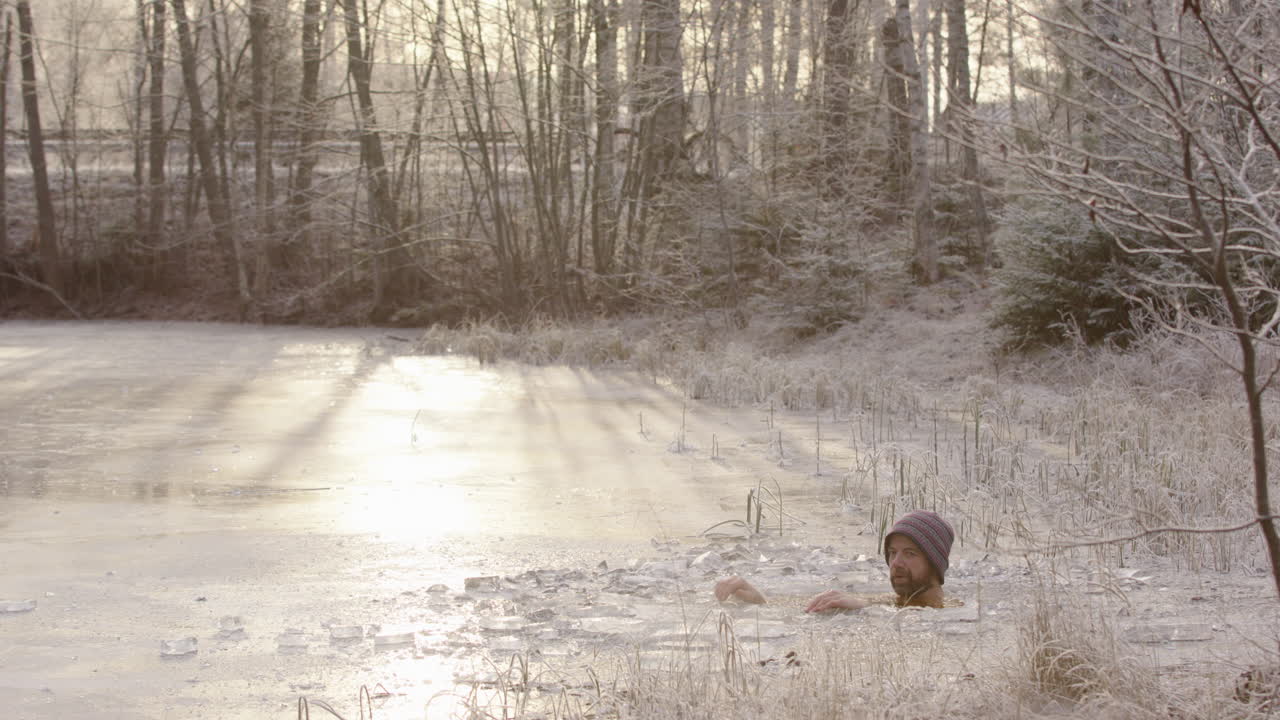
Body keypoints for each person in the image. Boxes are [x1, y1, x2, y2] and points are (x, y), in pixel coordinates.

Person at [714, 510, 955, 611]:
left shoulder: (951, 613)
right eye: (893, 552)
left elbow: (922, 613)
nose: (897, 562)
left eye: (910, 553)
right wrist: (760, 601)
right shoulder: (894, 602)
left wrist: (863, 608)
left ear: (935, 564)